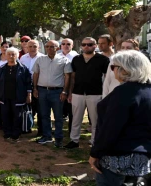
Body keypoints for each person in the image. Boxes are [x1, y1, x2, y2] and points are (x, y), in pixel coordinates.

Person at [89, 50, 151, 186]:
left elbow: (110, 129)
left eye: (113, 67)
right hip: (142, 158)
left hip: (116, 159)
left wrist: (95, 154)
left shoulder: (123, 93)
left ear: (124, 70)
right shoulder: (147, 91)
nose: (112, 71)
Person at [65, 37, 109, 149]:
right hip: (77, 93)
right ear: (81, 46)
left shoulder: (103, 59)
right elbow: (73, 77)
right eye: (84, 44)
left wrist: (105, 94)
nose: (86, 46)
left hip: (96, 93)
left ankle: (94, 142)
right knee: (75, 119)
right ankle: (74, 140)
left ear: (95, 46)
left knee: (95, 120)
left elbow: (106, 78)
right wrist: (70, 92)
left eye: (89, 44)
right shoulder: (76, 59)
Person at [32, 40, 72, 148]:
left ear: (57, 48)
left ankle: (58, 138)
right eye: (47, 46)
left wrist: (65, 91)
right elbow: (36, 74)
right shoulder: (40, 59)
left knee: (58, 116)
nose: (49, 48)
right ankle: (47, 136)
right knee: (44, 115)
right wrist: (35, 88)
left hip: (57, 92)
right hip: (42, 91)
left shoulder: (64, 60)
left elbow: (68, 76)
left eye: (52, 46)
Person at [0, 47, 32, 142]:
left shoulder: (23, 69)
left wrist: (29, 95)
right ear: (6, 55)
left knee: (17, 116)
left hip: (18, 96)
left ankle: (16, 133)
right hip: (5, 96)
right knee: (5, 115)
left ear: (17, 55)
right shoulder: (2, 69)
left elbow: (28, 82)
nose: (11, 56)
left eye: (13, 54)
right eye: (9, 54)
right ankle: (7, 132)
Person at [20, 40, 44, 136]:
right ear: (27, 47)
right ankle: (27, 127)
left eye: (34, 46)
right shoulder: (22, 58)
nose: (32, 48)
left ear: (38, 47)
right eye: (30, 46)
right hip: (26, 85)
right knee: (28, 108)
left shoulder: (43, 58)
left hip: (39, 85)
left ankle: (41, 130)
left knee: (41, 108)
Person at [57, 38, 79, 134]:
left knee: (72, 112)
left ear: (72, 45)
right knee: (59, 111)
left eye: (68, 44)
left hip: (72, 87)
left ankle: (72, 132)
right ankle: (59, 131)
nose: (66, 45)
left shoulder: (77, 57)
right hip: (59, 86)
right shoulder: (56, 56)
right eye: (63, 44)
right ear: (61, 45)